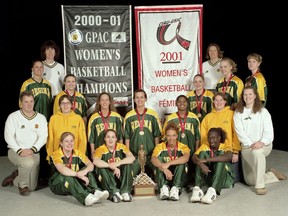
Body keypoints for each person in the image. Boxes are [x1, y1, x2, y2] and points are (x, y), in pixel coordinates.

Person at [233, 86, 286, 195]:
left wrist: (261, 142)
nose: (248, 97)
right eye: (245, 94)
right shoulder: (238, 113)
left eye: (250, 94)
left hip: (264, 146)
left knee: (257, 152)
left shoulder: (263, 112)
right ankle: (272, 175)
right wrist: (250, 144)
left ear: (255, 96)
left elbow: (269, 131)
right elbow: (240, 133)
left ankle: (260, 186)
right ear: (242, 97)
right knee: (250, 181)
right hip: (247, 147)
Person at [2, 91, 48, 196]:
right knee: (27, 163)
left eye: (31, 101)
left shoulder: (41, 118)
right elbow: (8, 137)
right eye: (26, 102)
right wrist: (19, 150)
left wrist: (32, 149)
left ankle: (15, 177)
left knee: (32, 187)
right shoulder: (13, 117)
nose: (29, 104)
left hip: (34, 153)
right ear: (21, 103)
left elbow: (43, 137)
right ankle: (22, 186)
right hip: (16, 152)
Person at [48, 131, 109, 206]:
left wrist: (85, 171)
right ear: (61, 143)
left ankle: (95, 191)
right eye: (66, 141)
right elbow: (62, 169)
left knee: (87, 170)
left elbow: (91, 165)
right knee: (68, 177)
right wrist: (78, 174)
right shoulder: (56, 154)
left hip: (74, 182)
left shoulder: (78, 153)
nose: (69, 143)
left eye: (71, 141)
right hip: (58, 183)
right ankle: (85, 198)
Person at [201, 92, 241, 182]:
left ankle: (270, 175)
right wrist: (206, 151)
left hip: (228, 150)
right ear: (213, 102)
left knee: (233, 179)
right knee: (212, 178)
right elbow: (203, 137)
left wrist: (235, 152)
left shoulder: (231, 114)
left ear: (225, 101)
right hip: (212, 151)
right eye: (216, 100)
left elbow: (236, 134)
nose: (218, 102)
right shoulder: (208, 117)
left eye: (221, 100)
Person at [163, 95, 200, 186]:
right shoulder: (171, 118)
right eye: (179, 101)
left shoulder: (194, 118)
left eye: (184, 101)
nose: (182, 103)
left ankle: (189, 183)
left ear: (187, 103)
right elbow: (165, 137)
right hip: (176, 152)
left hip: (190, 150)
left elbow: (197, 137)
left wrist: (196, 152)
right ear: (176, 103)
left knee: (191, 171)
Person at [124, 89, 162, 178]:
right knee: (129, 175)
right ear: (134, 100)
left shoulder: (153, 115)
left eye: (142, 97)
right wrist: (128, 154)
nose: (139, 99)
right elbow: (127, 137)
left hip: (150, 154)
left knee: (159, 172)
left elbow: (156, 136)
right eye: (137, 97)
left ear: (145, 99)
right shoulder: (129, 116)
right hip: (135, 155)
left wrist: (156, 153)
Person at [191, 127, 234, 204]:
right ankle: (197, 189)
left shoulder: (225, 146)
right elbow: (194, 157)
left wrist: (207, 160)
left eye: (213, 138)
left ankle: (213, 191)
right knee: (201, 154)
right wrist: (201, 164)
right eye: (209, 138)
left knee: (220, 157)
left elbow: (229, 156)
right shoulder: (205, 146)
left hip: (224, 180)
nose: (211, 140)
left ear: (219, 138)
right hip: (210, 178)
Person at [93, 129, 135, 203]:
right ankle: (114, 192)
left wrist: (117, 164)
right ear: (105, 139)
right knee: (101, 168)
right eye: (108, 137)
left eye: (113, 137)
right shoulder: (100, 149)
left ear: (116, 139)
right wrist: (110, 166)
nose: (110, 139)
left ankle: (125, 191)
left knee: (128, 164)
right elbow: (95, 161)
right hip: (108, 179)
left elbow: (132, 158)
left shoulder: (121, 147)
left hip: (120, 176)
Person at [151, 121, 190, 201]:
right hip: (164, 176)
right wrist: (164, 169)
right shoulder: (160, 146)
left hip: (179, 177)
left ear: (177, 136)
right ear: (165, 136)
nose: (171, 138)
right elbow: (153, 159)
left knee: (181, 162)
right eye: (168, 136)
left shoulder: (183, 146)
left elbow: (186, 158)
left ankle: (176, 189)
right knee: (159, 160)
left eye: (173, 135)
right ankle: (163, 188)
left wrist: (168, 163)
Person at [46, 94, 87, 163]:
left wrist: (80, 155)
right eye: (63, 103)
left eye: (68, 103)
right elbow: (50, 139)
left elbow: (82, 139)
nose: (65, 105)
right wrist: (50, 155)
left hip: (74, 156)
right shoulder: (53, 118)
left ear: (71, 105)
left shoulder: (78, 118)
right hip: (57, 156)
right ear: (59, 105)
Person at [88, 92, 123, 159]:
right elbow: (91, 138)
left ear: (110, 102)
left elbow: (120, 136)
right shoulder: (93, 118)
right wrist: (92, 152)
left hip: (114, 152)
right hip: (99, 151)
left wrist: (120, 151)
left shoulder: (116, 117)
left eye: (106, 100)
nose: (105, 102)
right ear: (99, 102)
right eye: (102, 100)